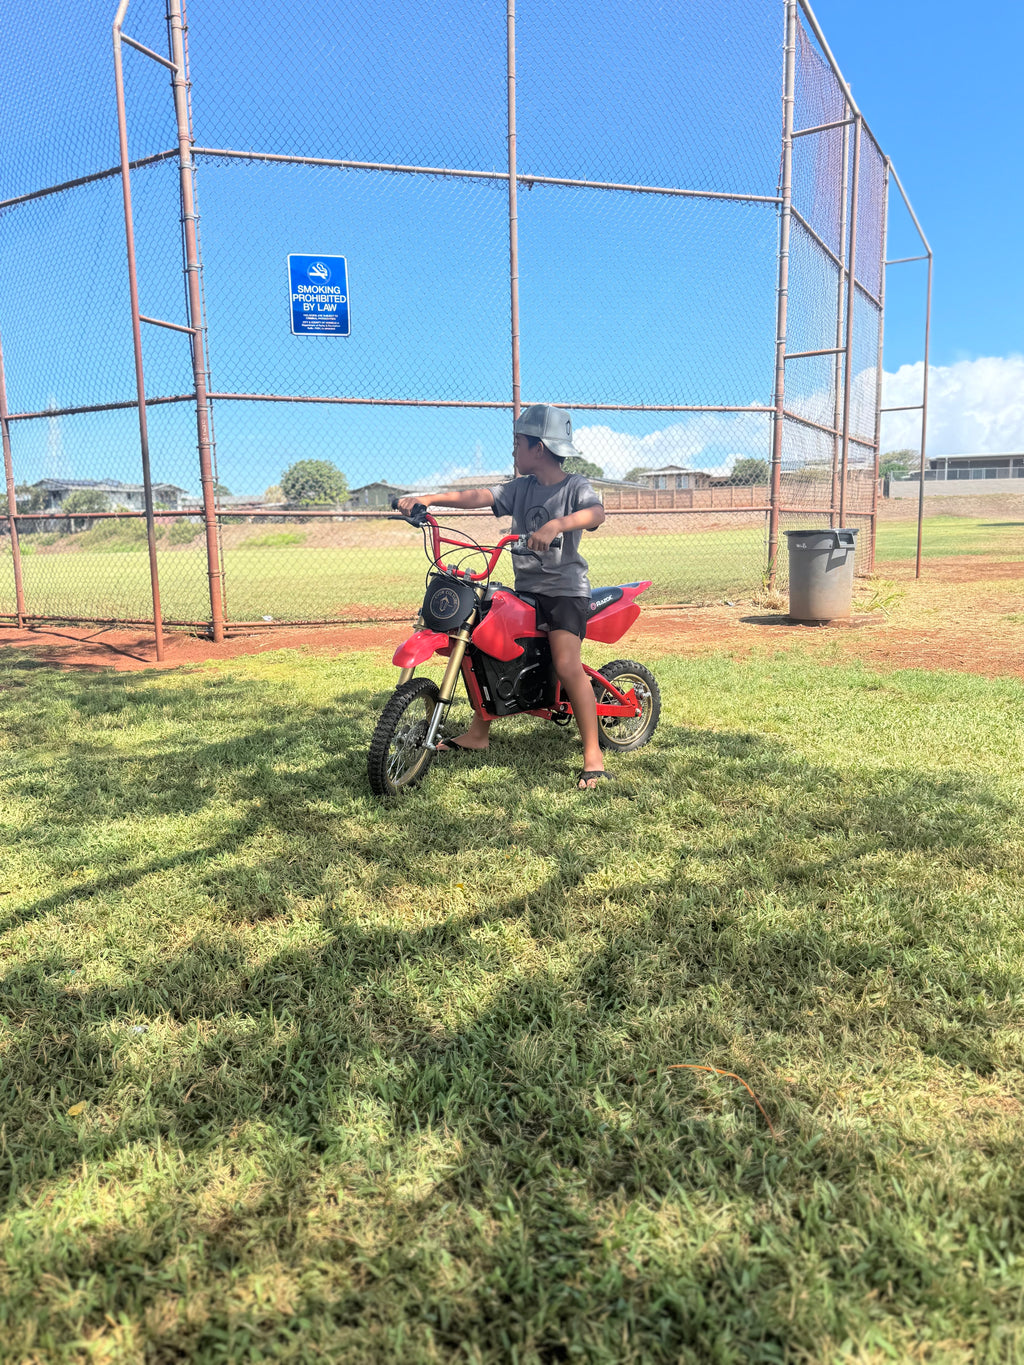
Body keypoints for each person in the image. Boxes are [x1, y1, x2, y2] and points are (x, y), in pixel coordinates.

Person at [397, 404, 612, 789]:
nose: (513, 450)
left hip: (564, 593)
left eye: (518, 443)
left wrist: (558, 524)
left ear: (540, 448)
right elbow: (479, 496)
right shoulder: (521, 488)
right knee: (481, 642)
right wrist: (427, 499)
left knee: (566, 664)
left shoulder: (574, 486)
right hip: (527, 590)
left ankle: (593, 755)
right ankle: (479, 734)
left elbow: (595, 513)